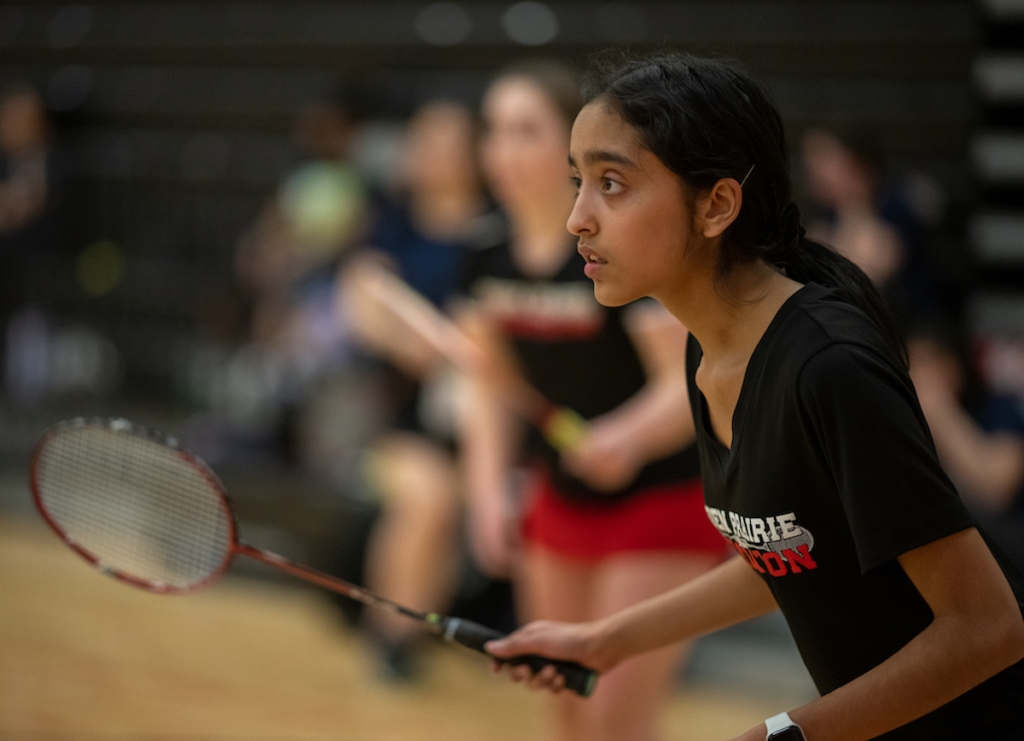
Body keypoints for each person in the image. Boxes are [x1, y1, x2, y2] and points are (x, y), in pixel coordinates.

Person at [484, 51, 1024, 741]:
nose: (577, 219)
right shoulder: (706, 350)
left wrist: (779, 735)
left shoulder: (828, 365)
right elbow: (794, 552)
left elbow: (989, 626)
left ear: (716, 205)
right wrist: (606, 639)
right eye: (577, 182)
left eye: (611, 184)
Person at [458, 59, 726, 741]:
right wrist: (487, 493)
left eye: (525, 130)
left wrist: (626, 436)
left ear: (573, 146)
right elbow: (490, 385)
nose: (502, 150)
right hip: (561, 499)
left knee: (614, 718)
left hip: (662, 499)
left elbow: (691, 380)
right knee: (570, 714)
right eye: (493, 129)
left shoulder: (616, 247)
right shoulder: (483, 258)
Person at [336, 100, 505, 679]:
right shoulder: (392, 226)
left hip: (492, 420)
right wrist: (417, 346)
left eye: (449, 144)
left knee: (465, 504)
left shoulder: (499, 233)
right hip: (404, 417)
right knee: (429, 499)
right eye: (423, 142)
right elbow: (363, 301)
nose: (433, 156)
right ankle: (392, 639)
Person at [908, 323, 1024, 574]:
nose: (921, 375)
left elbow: (995, 490)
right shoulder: (903, 425)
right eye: (912, 364)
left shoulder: (997, 409)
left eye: (931, 361)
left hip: (1006, 558)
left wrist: (940, 412)